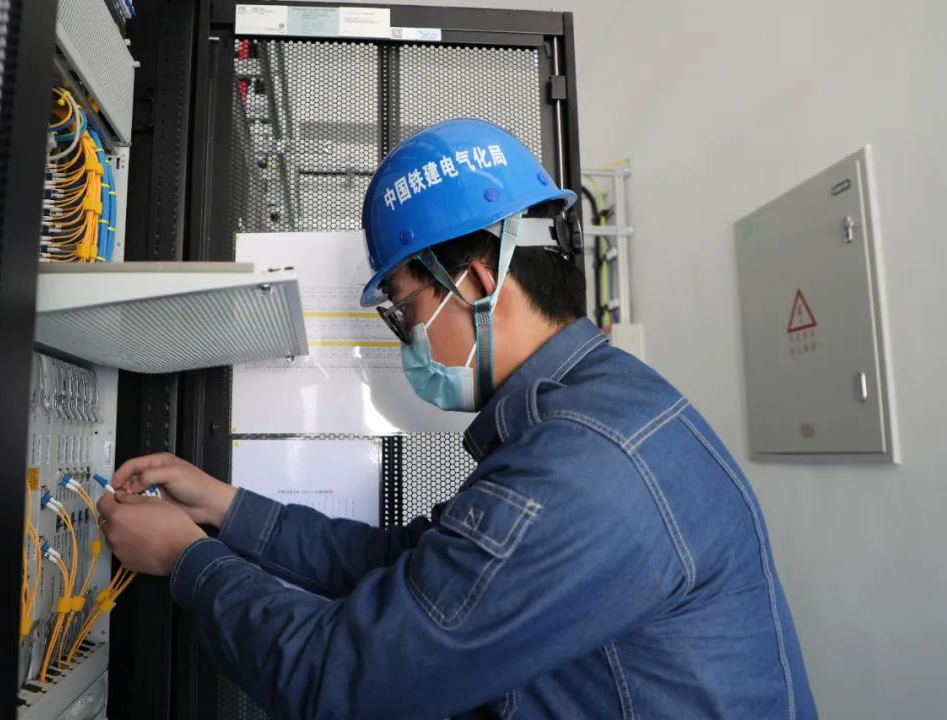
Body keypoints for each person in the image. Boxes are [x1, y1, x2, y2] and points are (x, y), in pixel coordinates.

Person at [98, 119, 817, 718]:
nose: (407, 337)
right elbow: (410, 566)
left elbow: (343, 680)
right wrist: (225, 509)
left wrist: (187, 560)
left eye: (404, 308)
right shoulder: (596, 406)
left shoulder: (583, 468)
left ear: (475, 283)